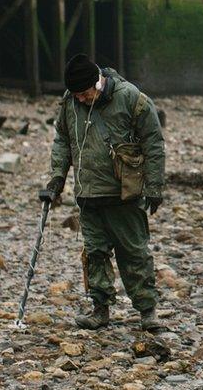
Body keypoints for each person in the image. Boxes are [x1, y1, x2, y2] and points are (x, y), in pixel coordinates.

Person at [43, 53, 166, 331]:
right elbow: (62, 139)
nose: (81, 100)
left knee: (134, 253)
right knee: (95, 253)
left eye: (85, 94)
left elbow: (153, 142)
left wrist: (155, 186)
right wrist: (57, 179)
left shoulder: (130, 98)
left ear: (98, 83)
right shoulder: (70, 102)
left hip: (124, 193)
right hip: (88, 194)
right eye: (77, 96)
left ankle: (147, 312)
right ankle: (100, 309)